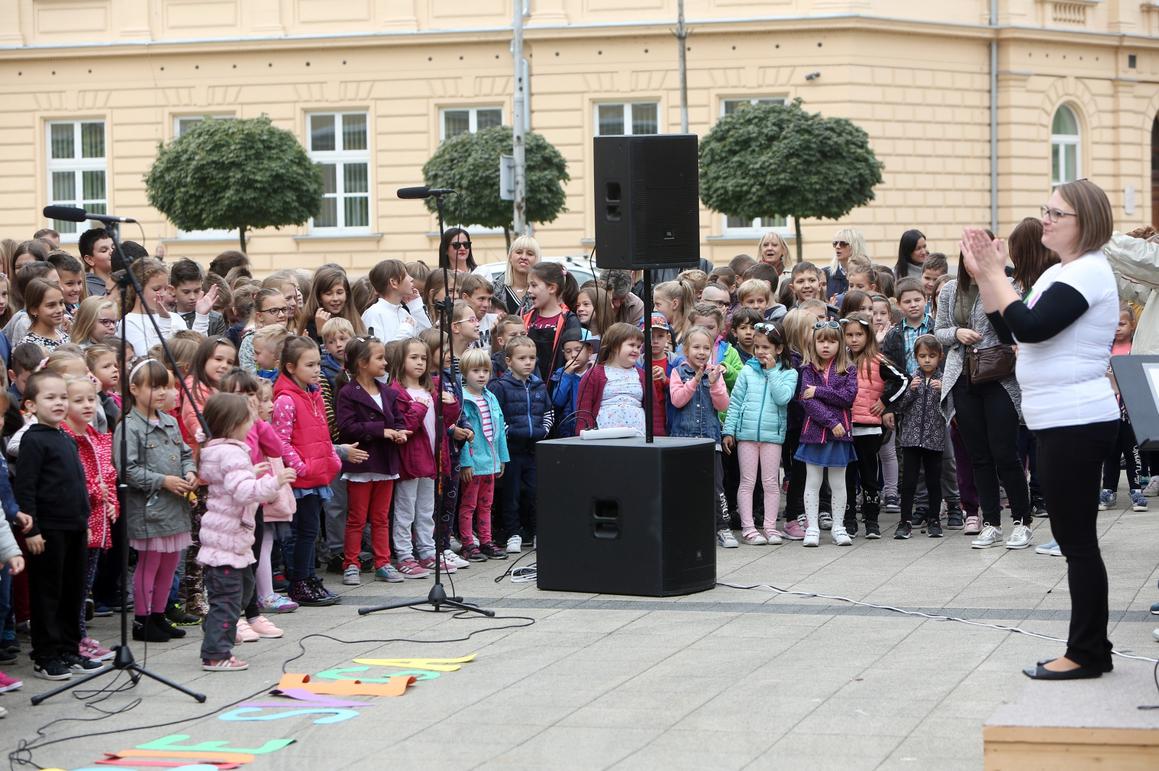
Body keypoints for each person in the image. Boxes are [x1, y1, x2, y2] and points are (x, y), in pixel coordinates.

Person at [961, 178, 1120, 680]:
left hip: (1078, 419)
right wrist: (987, 277)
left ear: (1085, 223)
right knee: (1074, 540)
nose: (1045, 220)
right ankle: (1091, 647)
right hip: (1058, 419)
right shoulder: (1063, 272)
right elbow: (1011, 327)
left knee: (1077, 543)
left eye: (1056, 213)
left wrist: (995, 272)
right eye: (1045, 211)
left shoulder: (1090, 272)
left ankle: (1087, 652)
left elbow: (1032, 329)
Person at [935, 234, 1033, 546]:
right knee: (978, 456)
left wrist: (991, 280)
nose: (974, 259)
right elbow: (937, 332)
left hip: (999, 377)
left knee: (1005, 453)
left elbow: (1011, 330)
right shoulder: (951, 290)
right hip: (963, 378)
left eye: (982, 252)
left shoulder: (1008, 286)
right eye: (969, 253)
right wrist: (956, 332)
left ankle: (1022, 520)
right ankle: (990, 521)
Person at [16, 371, 105, 680]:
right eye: (50, 398)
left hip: (74, 527)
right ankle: (46, 654)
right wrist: (32, 529)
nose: (59, 403)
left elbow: (76, 484)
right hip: (49, 529)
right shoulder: (33, 439)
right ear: (30, 405)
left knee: (73, 591)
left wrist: (84, 522)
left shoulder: (64, 436)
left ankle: (69, 648)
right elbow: (26, 489)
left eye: (62, 397)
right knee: (48, 593)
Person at [197, 393, 294, 672]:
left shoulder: (221, 449)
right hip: (226, 539)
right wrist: (274, 481)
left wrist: (250, 470)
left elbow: (228, 481)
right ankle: (216, 653)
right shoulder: (230, 452)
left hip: (230, 540)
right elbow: (242, 491)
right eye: (248, 420)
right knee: (228, 599)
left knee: (240, 591)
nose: (251, 426)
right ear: (234, 423)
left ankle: (215, 627)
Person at [273, 337, 343, 606]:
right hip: (300, 478)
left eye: (317, 363)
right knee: (299, 532)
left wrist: (331, 459)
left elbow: (321, 434)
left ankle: (308, 577)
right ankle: (299, 580)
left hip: (316, 474)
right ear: (291, 367)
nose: (316, 370)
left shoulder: (313, 394)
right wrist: (299, 465)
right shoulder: (286, 400)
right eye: (309, 365)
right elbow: (281, 440)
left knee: (311, 531)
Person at [336, 336, 408, 585]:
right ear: (362, 363)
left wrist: (399, 432)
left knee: (380, 517)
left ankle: (383, 562)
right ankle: (351, 563)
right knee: (357, 517)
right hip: (362, 461)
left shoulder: (387, 392)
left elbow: (397, 420)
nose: (385, 362)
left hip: (385, 461)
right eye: (379, 358)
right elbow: (347, 428)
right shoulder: (348, 393)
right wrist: (381, 431)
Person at [388, 337, 461, 576]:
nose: (420, 363)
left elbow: (446, 422)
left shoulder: (433, 386)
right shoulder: (396, 392)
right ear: (401, 360)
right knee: (405, 508)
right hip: (411, 460)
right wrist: (418, 407)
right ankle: (404, 554)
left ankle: (428, 551)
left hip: (433, 458)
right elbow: (405, 426)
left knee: (427, 508)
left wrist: (450, 406)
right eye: (414, 357)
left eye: (423, 358)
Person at [722, 322, 797, 545]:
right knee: (747, 482)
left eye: (766, 347)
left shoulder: (789, 373)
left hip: (772, 438)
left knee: (771, 483)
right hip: (746, 436)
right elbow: (734, 402)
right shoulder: (747, 371)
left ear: (779, 349)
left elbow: (783, 398)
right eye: (757, 347)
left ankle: (770, 527)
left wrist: (773, 372)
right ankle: (748, 528)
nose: (760, 352)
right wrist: (729, 430)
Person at [60, 376, 118, 661]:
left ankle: (80, 635)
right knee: (72, 585)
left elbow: (109, 473)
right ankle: (71, 637)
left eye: (90, 399)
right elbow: (73, 481)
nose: (86, 405)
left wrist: (112, 504)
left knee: (85, 585)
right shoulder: (65, 438)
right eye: (78, 400)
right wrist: (98, 491)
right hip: (77, 523)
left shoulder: (95, 436)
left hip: (98, 524)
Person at [843, 312, 908, 539]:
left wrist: (885, 401)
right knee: (847, 477)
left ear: (868, 336)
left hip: (870, 429)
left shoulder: (878, 361)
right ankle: (848, 518)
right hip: (846, 429)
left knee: (869, 476)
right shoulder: (841, 361)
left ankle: (872, 521)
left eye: (858, 334)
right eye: (849, 335)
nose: (853, 339)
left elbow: (904, 379)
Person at [794, 320, 858, 547]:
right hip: (815, 434)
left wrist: (819, 391)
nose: (826, 345)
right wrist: (831, 422)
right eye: (821, 340)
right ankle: (812, 527)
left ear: (840, 344)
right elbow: (806, 401)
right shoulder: (807, 370)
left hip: (840, 436)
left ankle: (839, 527)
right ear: (813, 343)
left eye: (831, 341)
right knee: (812, 481)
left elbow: (847, 398)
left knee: (838, 483)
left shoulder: (849, 369)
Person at [668, 326, 733, 547]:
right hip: (683, 441)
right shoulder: (678, 372)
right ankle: (687, 528)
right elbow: (677, 400)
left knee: (716, 486)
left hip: (710, 441)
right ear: (686, 350)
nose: (702, 352)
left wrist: (714, 383)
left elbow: (723, 404)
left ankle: (722, 527)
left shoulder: (714, 373)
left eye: (706, 348)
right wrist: (695, 380)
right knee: (684, 486)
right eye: (696, 347)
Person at [487, 335, 551, 553]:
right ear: (508, 361)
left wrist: (544, 430)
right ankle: (513, 533)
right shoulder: (500, 386)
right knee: (511, 493)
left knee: (536, 492)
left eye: (532, 358)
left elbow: (548, 411)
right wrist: (508, 434)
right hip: (511, 450)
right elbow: (497, 416)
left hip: (534, 449)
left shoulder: (539, 385)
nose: (528, 362)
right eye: (522, 358)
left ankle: (537, 532)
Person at [457, 348, 510, 562]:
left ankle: (486, 541)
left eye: (485, 370)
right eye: (475, 370)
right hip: (474, 463)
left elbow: (499, 432)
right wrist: (465, 463)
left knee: (486, 505)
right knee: (468, 505)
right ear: (464, 373)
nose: (481, 375)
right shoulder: (463, 399)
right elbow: (461, 436)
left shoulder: (491, 397)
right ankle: (468, 543)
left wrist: (502, 458)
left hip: (490, 462)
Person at [893, 335, 946, 539]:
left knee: (934, 481)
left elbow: (950, 407)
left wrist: (943, 391)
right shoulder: (910, 379)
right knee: (908, 481)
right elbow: (900, 407)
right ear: (916, 357)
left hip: (934, 438)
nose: (927, 360)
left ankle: (934, 519)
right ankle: (905, 521)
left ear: (939, 357)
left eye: (931, 356)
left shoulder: (943, 380)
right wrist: (911, 392)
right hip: (911, 439)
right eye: (922, 356)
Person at [1099, 304, 1147, 513]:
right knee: (1110, 453)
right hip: (1108, 411)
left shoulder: (1136, 349)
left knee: (1132, 452)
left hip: (1130, 412)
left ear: (1132, 325)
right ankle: (1109, 490)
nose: (1117, 328)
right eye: (1113, 324)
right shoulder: (1104, 350)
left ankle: (1136, 489)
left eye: (1122, 324)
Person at [121, 259, 214, 357]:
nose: (163, 294)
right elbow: (151, 360)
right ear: (137, 290)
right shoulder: (129, 322)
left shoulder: (175, 318)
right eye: (156, 289)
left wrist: (201, 317)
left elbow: (196, 354)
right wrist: (164, 322)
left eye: (165, 288)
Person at [574, 322, 647, 435]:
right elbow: (583, 411)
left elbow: (655, 413)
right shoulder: (594, 374)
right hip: (604, 439)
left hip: (639, 437)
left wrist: (658, 439)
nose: (636, 350)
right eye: (632, 345)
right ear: (614, 345)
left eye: (638, 346)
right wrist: (584, 437)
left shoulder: (643, 375)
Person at [523, 261, 581, 388]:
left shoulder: (569, 320)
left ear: (552, 288)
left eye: (534, 285)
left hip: (556, 390)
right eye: (528, 286)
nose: (528, 290)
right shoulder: (526, 317)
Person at [361, 259, 431, 343]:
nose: (411, 279)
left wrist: (416, 306)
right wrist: (405, 330)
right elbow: (379, 351)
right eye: (406, 275)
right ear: (393, 283)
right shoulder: (374, 314)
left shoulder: (403, 313)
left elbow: (427, 339)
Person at [299, 265, 366, 342]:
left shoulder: (353, 317)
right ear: (319, 297)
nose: (335, 298)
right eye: (328, 294)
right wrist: (321, 333)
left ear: (347, 294)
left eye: (339, 292)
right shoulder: (311, 322)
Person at [550, 327, 596, 438]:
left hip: (592, 428)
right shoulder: (562, 373)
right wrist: (566, 375)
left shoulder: (595, 373)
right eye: (568, 351)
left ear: (589, 351)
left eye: (578, 349)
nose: (573, 355)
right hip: (568, 430)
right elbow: (557, 401)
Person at [170, 259, 228, 338]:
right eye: (186, 292)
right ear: (173, 290)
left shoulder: (215, 319)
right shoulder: (166, 317)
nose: (192, 297)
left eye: (197, 291)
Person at [492, 235, 540, 315]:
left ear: (537, 259)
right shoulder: (494, 288)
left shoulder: (543, 290)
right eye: (519, 252)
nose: (524, 257)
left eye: (530, 254)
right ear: (510, 257)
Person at [18, 278, 69, 352]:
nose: (59, 310)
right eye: (51, 305)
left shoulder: (64, 336)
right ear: (34, 310)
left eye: (61, 303)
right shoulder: (28, 347)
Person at [827, 228, 868, 299]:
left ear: (854, 246)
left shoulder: (869, 273)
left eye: (842, 244)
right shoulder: (826, 274)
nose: (837, 246)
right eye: (835, 243)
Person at [79, 228, 114, 297]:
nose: (112, 252)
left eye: (113, 247)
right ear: (89, 259)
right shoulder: (87, 289)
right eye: (104, 250)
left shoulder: (123, 282)